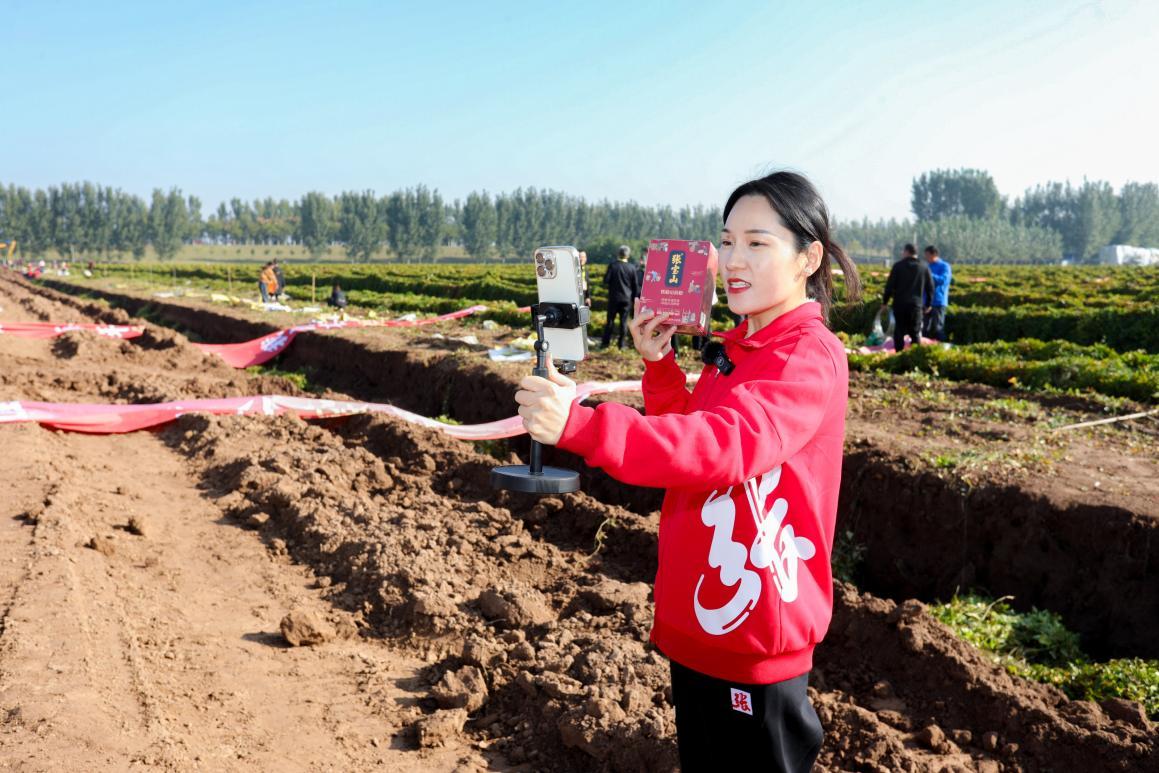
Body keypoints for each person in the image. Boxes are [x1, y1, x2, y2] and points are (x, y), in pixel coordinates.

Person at [514, 171, 862, 771]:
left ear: (809, 258)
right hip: (700, 624)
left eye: (757, 243)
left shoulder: (807, 355)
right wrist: (661, 367)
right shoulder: (741, 347)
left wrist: (582, 426)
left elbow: (726, 446)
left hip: (755, 632)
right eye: (726, 242)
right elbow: (691, 453)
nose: (733, 260)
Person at [881, 243, 932, 353]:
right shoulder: (924, 267)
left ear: (907, 251)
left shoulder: (898, 266)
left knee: (899, 331)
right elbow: (930, 288)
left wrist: (885, 302)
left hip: (900, 304)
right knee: (915, 332)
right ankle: (914, 356)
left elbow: (889, 286)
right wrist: (928, 304)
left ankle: (899, 355)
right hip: (916, 305)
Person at [601, 245, 639, 349]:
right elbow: (635, 285)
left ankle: (605, 343)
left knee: (610, 321)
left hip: (614, 298)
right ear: (628, 255)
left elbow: (606, 281)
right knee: (623, 322)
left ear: (618, 254)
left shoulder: (613, 266)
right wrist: (634, 299)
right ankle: (621, 345)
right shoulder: (632, 268)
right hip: (626, 299)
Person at [922, 245, 952, 341]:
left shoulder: (944, 266)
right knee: (924, 329)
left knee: (937, 329)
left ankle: (942, 348)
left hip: (938, 301)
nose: (926, 258)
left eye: (927, 255)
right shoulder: (927, 267)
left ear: (934, 254)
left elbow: (943, 280)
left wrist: (929, 274)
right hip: (926, 302)